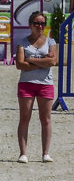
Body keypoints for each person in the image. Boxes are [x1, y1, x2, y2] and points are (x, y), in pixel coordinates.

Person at [15, 11, 57, 163]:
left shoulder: (51, 42)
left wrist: (30, 60)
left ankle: (45, 153)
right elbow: (19, 65)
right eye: (37, 23)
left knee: (45, 119)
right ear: (30, 25)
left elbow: (52, 62)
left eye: (43, 23)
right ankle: (23, 153)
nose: (40, 26)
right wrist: (42, 61)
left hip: (45, 83)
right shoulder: (22, 42)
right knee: (24, 118)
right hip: (26, 84)